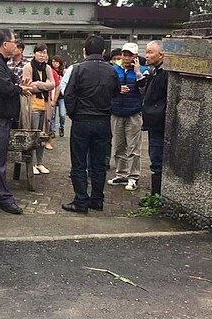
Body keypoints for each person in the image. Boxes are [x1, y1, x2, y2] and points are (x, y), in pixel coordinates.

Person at [62, 35, 120, 213]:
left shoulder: (78, 69)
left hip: (81, 120)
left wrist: (74, 114)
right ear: (103, 51)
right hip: (102, 120)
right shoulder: (111, 70)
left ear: (84, 51)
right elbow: (116, 91)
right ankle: (97, 199)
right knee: (98, 163)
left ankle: (80, 201)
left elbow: (69, 95)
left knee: (79, 162)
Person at [0, 28, 33, 214]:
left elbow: (13, 81)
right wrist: (18, 89)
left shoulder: (0, 62)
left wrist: (19, 86)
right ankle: (4, 197)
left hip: (0, 117)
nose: (15, 44)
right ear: (4, 44)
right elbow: (5, 87)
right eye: (13, 41)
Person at [107, 42, 147, 191]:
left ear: (135, 56)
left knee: (133, 147)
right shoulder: (113, 70)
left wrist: (137, 72)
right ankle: (121, 174)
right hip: (116, 112)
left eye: (130, 55)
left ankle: (133, 176)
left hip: (134, 113)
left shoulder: (143, 70)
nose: (126, 57)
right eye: (125, 54)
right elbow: (107, 88)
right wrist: (117, 90)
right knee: (118, 146)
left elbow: (144, 90)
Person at [137, 40, 168, 195]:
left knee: (157, 159)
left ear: (161, 54)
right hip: (153, 122)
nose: (146, 56)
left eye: (150, 52)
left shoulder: (165, 74)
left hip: (159, 123)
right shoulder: (154, 71)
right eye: (147, 52)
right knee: (154, 157)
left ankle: (157, 196)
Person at [22, 44, 55, 175]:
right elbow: (28, 87)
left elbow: (52, 84)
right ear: (34, 53)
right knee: (33, 136)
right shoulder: (28, 67)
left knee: (43, 136)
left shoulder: (47, 68)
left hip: (45, 106)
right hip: (33, 105)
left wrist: (39, 84)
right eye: (40, 52)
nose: (42, 55)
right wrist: (44, 85)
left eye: (44, 53)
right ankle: (31, 162)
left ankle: (39, 162)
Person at [49, 54, 66, 139]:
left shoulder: (63, 72)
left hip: (62, 97)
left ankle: (62, 127)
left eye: (56, 62)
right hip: (53, 95)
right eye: (53, 61)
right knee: (52, 114)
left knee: (62, 114)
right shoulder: (50, 71)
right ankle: (52, 131)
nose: (54, 63)